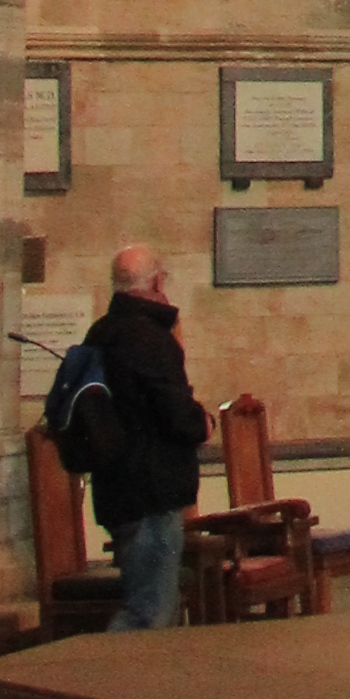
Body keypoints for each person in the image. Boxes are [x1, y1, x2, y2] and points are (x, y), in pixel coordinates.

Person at [83, 241, 210, 629]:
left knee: (151, 606)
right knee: (149, 611)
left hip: (117, 490)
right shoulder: (151, 339)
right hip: (151, 493)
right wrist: (202, 421)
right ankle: (94, 678)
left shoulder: (99, 334)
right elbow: (176, 415)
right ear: (156, 281)